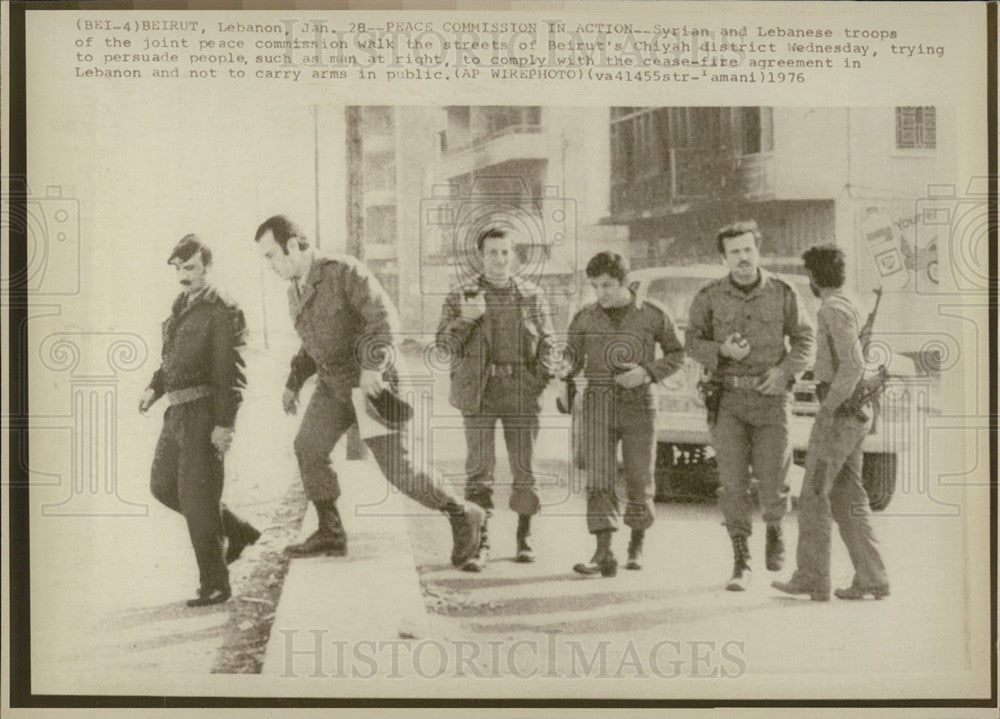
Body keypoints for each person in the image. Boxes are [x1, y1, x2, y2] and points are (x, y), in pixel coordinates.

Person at [253, 215, 484, 566]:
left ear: (292, 246)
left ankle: (462, 514)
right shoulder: (294, 290)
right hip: (333, 386)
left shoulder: (344, 272)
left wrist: (373, 367)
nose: (268, 265)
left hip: (372, 386)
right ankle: (330, 532)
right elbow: (312, 344)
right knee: (308, 446)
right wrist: (293, 382)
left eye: (270, 255)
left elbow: (384, 319)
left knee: (400, 471)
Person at [686, 220, 815, 591]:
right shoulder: (709, 296)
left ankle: (775, 528)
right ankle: (741, 560)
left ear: (758, 250)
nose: (742, 258)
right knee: (732, 483)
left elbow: (805, 341)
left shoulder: (783, 292)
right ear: (724, 257)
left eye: (748, 250)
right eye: (734, 252)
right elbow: (692, 341)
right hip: (728, 400)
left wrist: (784, 372)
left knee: (774, 477)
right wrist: (721, 351)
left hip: (771, 400)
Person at [140, 234, 261, 607]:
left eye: (190, 267)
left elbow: (231, 375)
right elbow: (172, 360)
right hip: (176, 413)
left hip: (204, 414)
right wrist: (153, 388)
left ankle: (215, 584)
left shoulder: (223, 310)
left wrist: (224, 425)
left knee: (197, 500)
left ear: (207, 266)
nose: (183, 275)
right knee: (162, 486)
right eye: (178, 268)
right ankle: (238, 530)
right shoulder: (181, 305)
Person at [772, 244, 890, 602]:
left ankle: (812, 577)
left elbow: (852, 365)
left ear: (812, 276)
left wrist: (828, 408)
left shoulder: (832, 309)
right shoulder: (849, 302)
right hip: (854, 414)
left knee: (813, 493)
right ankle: (872, 577)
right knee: (846, 495)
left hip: (840, 414)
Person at [436, 227, 554, 572]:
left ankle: (524, 537)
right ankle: (480, 542)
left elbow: (548, 343)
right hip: (479, 393)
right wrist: (466, 319)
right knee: (479, 470)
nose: (500, 260)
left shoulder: (532, 295)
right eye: (492, 253)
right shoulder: (462, 295)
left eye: (505, 252)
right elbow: (444, 345)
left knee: (524, 467)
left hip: (521, 391)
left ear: (514, 254)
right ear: (480, 256)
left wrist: (538, 382)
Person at [561, 252, 685, 577]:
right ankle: (603, 552)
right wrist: (564, 367)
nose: (601, 292)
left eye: (607, 285)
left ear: (625, 283)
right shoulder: (585, 317)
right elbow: (570, 357)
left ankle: (636, 546)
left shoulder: (652, 314)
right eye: (595, 285)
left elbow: (677, 353)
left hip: (639, 402)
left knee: (639, 477)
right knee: (599, 477)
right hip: (598, 403)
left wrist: (646, 372)